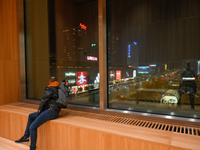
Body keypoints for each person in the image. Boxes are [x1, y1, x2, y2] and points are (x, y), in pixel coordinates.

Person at [15, 76, 63, 150]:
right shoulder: (59, 88)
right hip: (54, 111)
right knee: (31, 116)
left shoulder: (49, 88)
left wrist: (39, 112)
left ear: (49, 82)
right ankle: (25, 137)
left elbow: (43, 102)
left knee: (33, 127)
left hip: (51, 111)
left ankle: (32, 148)